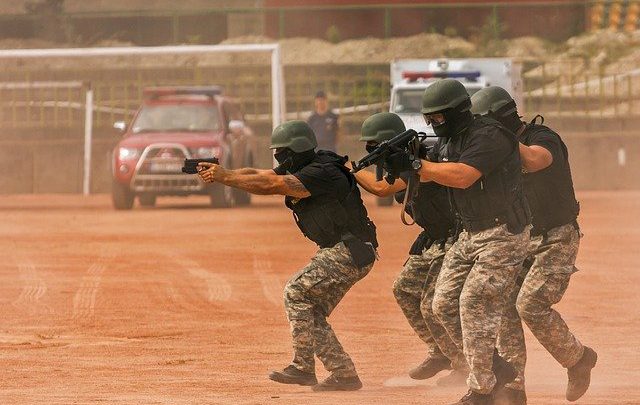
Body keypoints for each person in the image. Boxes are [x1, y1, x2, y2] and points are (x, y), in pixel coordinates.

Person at [197, 120, 378, 391]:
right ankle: (344, 375)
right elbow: (260, 173)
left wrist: (226, 179)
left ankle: (303, 368)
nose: (278, 157)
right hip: (343, 249)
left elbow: (271, 185)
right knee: (308, 309)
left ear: (296, 150)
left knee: (296, 292)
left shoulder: (321, 172)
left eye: (281, 152)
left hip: (351, 250)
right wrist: (224, 172)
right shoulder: (302, 164)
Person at [383, 78, 531, 405]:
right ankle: (495, 367)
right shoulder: (451, 140)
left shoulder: (489, 135)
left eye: (437, 118)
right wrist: (403, 164)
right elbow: (430, 164)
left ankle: (482, 390)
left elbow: (464, 176)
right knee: (442, 303)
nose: (433, 125)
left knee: (472, 302)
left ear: (458, 112)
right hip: (471, 234)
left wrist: (418, 166)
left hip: (503, 234)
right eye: (428, 120)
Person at [470, 86, 597, 405]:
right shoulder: (498, 153)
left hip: (557, 236)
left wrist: (502, 141)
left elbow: (538, 160)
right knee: (505, 302)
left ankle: (578, 359)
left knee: (531, 304)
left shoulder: (542, 137)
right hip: (523, 238)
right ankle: (514, 384)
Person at [352, 112, 467, 383]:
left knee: (432, 304)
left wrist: (353, 171)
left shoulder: (420, 159)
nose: (371, 150)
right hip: (434, 238)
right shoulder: (395, 164)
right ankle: (440, 351)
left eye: (375, 145)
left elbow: (381, 190)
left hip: (454, 237)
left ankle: (465, 365)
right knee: (404, 289)